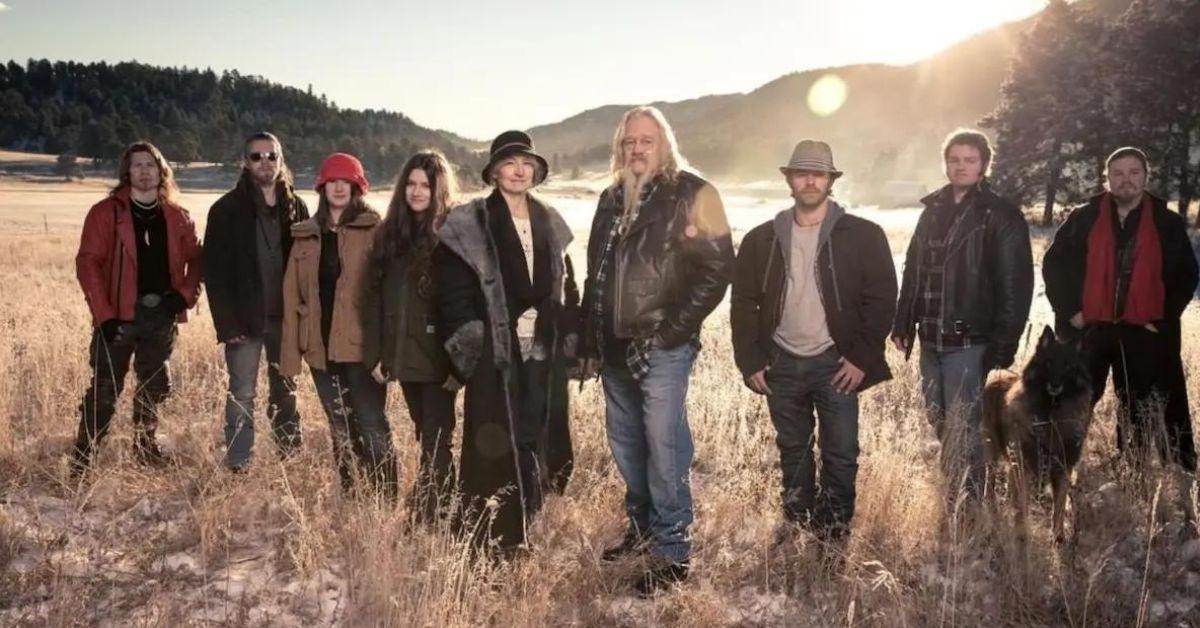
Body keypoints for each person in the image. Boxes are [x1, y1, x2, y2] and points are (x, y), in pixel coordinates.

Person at [580, 106, 734, 595]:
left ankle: (672, 554)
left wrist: (672, 333)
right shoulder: (609, 198)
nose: (638, 149)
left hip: (662, 348)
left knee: (664, 449)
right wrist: (589, 339)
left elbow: (716, 270)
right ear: (620, 148)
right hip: (613, 347)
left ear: (664, 144)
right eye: (630, 142)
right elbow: (597, 278)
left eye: (648, 140)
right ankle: (642, 530)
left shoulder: (692, 192)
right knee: (627, 445)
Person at [730, 140, 897, 547]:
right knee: (793, 449)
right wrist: (750, 360)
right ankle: (798, 522)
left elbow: (882, 299)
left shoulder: (863, 235)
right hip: (781, 361)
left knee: (840, 452)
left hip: (835, 362)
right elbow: (743, 302)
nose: (810, 180)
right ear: (789, 179)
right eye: (801, 173)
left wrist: (859, 358)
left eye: (818, 174)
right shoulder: (761, 239)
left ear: (830, 181)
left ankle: (834, 533)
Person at [435, 130, 573, 556]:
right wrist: (473, 345)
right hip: (495, 352)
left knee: (535, 433)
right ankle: (489, 535)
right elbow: (452, 295)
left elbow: (567, 285)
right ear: (494, 171)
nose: (519, 171)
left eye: (526, 164)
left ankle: (527, 521)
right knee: (492, 441)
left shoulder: (549, 219)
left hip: (542, 351)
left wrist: (567, 333)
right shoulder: (470, 221)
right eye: (510, 163)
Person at [891, 129, 1033, 503]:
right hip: (931, 337)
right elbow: (913, 268)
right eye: (955, 160)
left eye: (970, 160)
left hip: (970, 340)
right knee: (938, 417)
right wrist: (903, 320)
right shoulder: (933, 209)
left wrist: (1004, 343)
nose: (961, 167)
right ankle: (958, 487)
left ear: (984, 165)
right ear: (946, 163)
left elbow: (1015, 284)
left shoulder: (1001, 215)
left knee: (963, 423)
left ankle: (968, 504)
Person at [1043, 146, 1198, 474]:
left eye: (1133, 172)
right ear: (1107, 179)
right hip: (1090, 329)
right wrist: (1071, 311)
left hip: (1143, 330)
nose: (1126, 179)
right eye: (1118, 173)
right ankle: (1055, 470)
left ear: (1146, 177)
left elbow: (1186, 275)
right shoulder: (1083, 218)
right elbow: (1054, 265)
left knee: (1139, 407)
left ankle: (1134, 472)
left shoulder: (1165, 222)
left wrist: (1162, 317)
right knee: (1074, 402)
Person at [72, 140, 202, 477]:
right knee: (104, 388)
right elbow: (88, 264)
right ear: (126, 171)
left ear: (162, 171)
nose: (144, 171)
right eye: (137, 165)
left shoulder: (177, 216)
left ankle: (145, 448)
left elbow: (199, 260)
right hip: (118, 316)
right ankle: (83, 458)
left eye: (151, 164)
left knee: (155, 385)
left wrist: (184, 295)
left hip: (160, 315)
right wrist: (104, 315)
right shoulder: (106, 213)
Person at [280, 153, 396, 496]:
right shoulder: (305, 235)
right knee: (340, 427)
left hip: (362, 349)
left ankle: (384, 498)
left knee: (372, 424)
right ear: (322, 187)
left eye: (347, 181)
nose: (339, 187)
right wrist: (290, 356)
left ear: (358, 187)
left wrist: (386, 352)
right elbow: (291, 298)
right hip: (319, 348)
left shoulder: (375, 231)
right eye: (333, 181)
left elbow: (388, 295)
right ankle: (352, 494)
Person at [362, 150, 461, 522]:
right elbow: (371, 300)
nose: (418, 192)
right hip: (403, 356)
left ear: (440, 189)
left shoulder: (452, 232)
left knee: (437, 438)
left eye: (427, 185)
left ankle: (430, 514)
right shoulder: (390, 234)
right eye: (412, 184)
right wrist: (377, 354)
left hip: (440, 357)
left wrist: (460, 360)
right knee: (426, 431)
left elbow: (463, 302)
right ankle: (440, 502)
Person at [204, 131, 309, 471]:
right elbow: (215, 273)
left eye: (271, 156)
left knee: (286, 391)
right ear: (244, 163)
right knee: (242, 393)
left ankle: (289, 459)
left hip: (286, 320)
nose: (264, 162)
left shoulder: (298, 206)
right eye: (256, 156)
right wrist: (227, 324)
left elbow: (307, 265)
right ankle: (238, 462)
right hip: (244, 321)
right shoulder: (225, 210)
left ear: (281, 161)